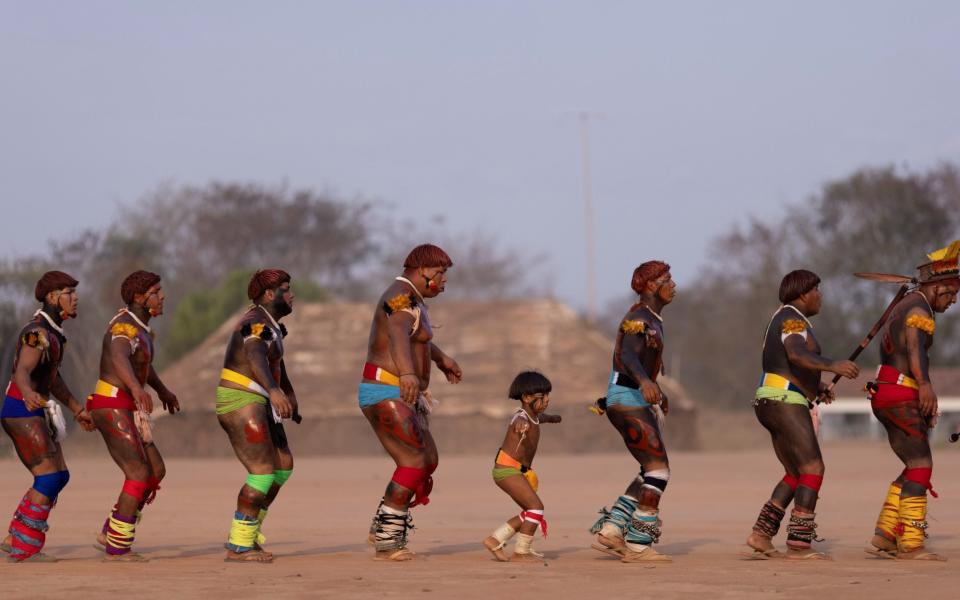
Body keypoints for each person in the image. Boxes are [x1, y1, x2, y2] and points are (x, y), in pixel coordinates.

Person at [746, 269, 859, 559]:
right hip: (784, 401)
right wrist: (833, 365)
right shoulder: (793, 319)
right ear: (802, 293)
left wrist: (816, 387)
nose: (820, 296)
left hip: (772, 398)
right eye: (817, 290)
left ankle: (761, 535)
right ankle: (799, 544)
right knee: (813, 468)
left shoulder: (784, 317)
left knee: (795, 473)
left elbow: (787, 364)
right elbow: (796, 355)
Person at [360, 244, 462, 561]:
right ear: (423, 271)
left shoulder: (413, 299)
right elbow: (397, 333)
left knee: (427, 458)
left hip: (402, 393)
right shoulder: (400, 296)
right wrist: (407, 373)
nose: (444, 281)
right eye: (441, 273)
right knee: (413, 462)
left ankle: (382, 525)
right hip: (385, 390)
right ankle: (389, 540)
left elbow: (417, 338)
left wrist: (442, 359)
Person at [865, 242, 960, 561]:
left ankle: (886, 533)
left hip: (885, 391)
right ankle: (911, 543)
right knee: (922, 465)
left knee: (913, 463)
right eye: (951, 293)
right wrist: (925, 386)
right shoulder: (919, 310)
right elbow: (915, 349)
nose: (954, 300)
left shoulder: (904, 305)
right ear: (937, 286)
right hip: (901, 391)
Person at [0, 271, 94, 562]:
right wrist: (27, 392)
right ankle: (25, 547)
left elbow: (52, 380)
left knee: (60, 475)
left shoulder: (52, 333)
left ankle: (14, 535)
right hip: (21, 409)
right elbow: (22, 371)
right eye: (69, 292)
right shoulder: (37, 332)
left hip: (33, 407)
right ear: (52, 297)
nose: (75, 298)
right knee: (49, 477)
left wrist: (77, 408)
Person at [589, 261, 676, 563]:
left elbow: (640, 356)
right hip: (627, 396)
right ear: (652, 285)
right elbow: (627, 355)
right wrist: (644, 382)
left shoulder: (649, 317)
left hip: (629, 397)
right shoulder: (639, 317)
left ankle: (612, 530)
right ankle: (639, 543)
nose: (673, 285)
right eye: (668, 279)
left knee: (647, 470)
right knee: (658, 470)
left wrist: (656, 390)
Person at [89, 270, 179, 561]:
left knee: (155, 471)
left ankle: (112, 529)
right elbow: (119, 357)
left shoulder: (141, 329)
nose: (162, 296)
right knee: (138, 472)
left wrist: (162, 391)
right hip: (112, 403)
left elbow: (143, 366)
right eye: (156, 291)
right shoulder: (124, 326)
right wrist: (135, 389)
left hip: (127, 405)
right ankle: (117, 546)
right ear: (139, 298)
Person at [217, 269, 298, 563]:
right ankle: (239, 545)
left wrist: (287, 392)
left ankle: (249, 533)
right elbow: (256, 355)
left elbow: (277, 362)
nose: (291, 295)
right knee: (263, 472)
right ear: (268, 294)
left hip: (259, 400)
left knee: (283, 467)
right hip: (240, 399)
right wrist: (274, 391)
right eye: (286, 289)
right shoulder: (255, 322)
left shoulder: (271, 325)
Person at [482, 371, 561, 563]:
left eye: (548, 396)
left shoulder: (535, 416)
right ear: (526, 398)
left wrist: (552, 418)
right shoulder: (521, 416)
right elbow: (518, 419)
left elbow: (541, 418)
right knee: (537, 507)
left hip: (517, 472)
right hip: (507, 470)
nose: (547, 400)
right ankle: (521, 552)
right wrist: (520, 423)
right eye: (543, 397)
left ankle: (495, 539)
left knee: (530, 512)